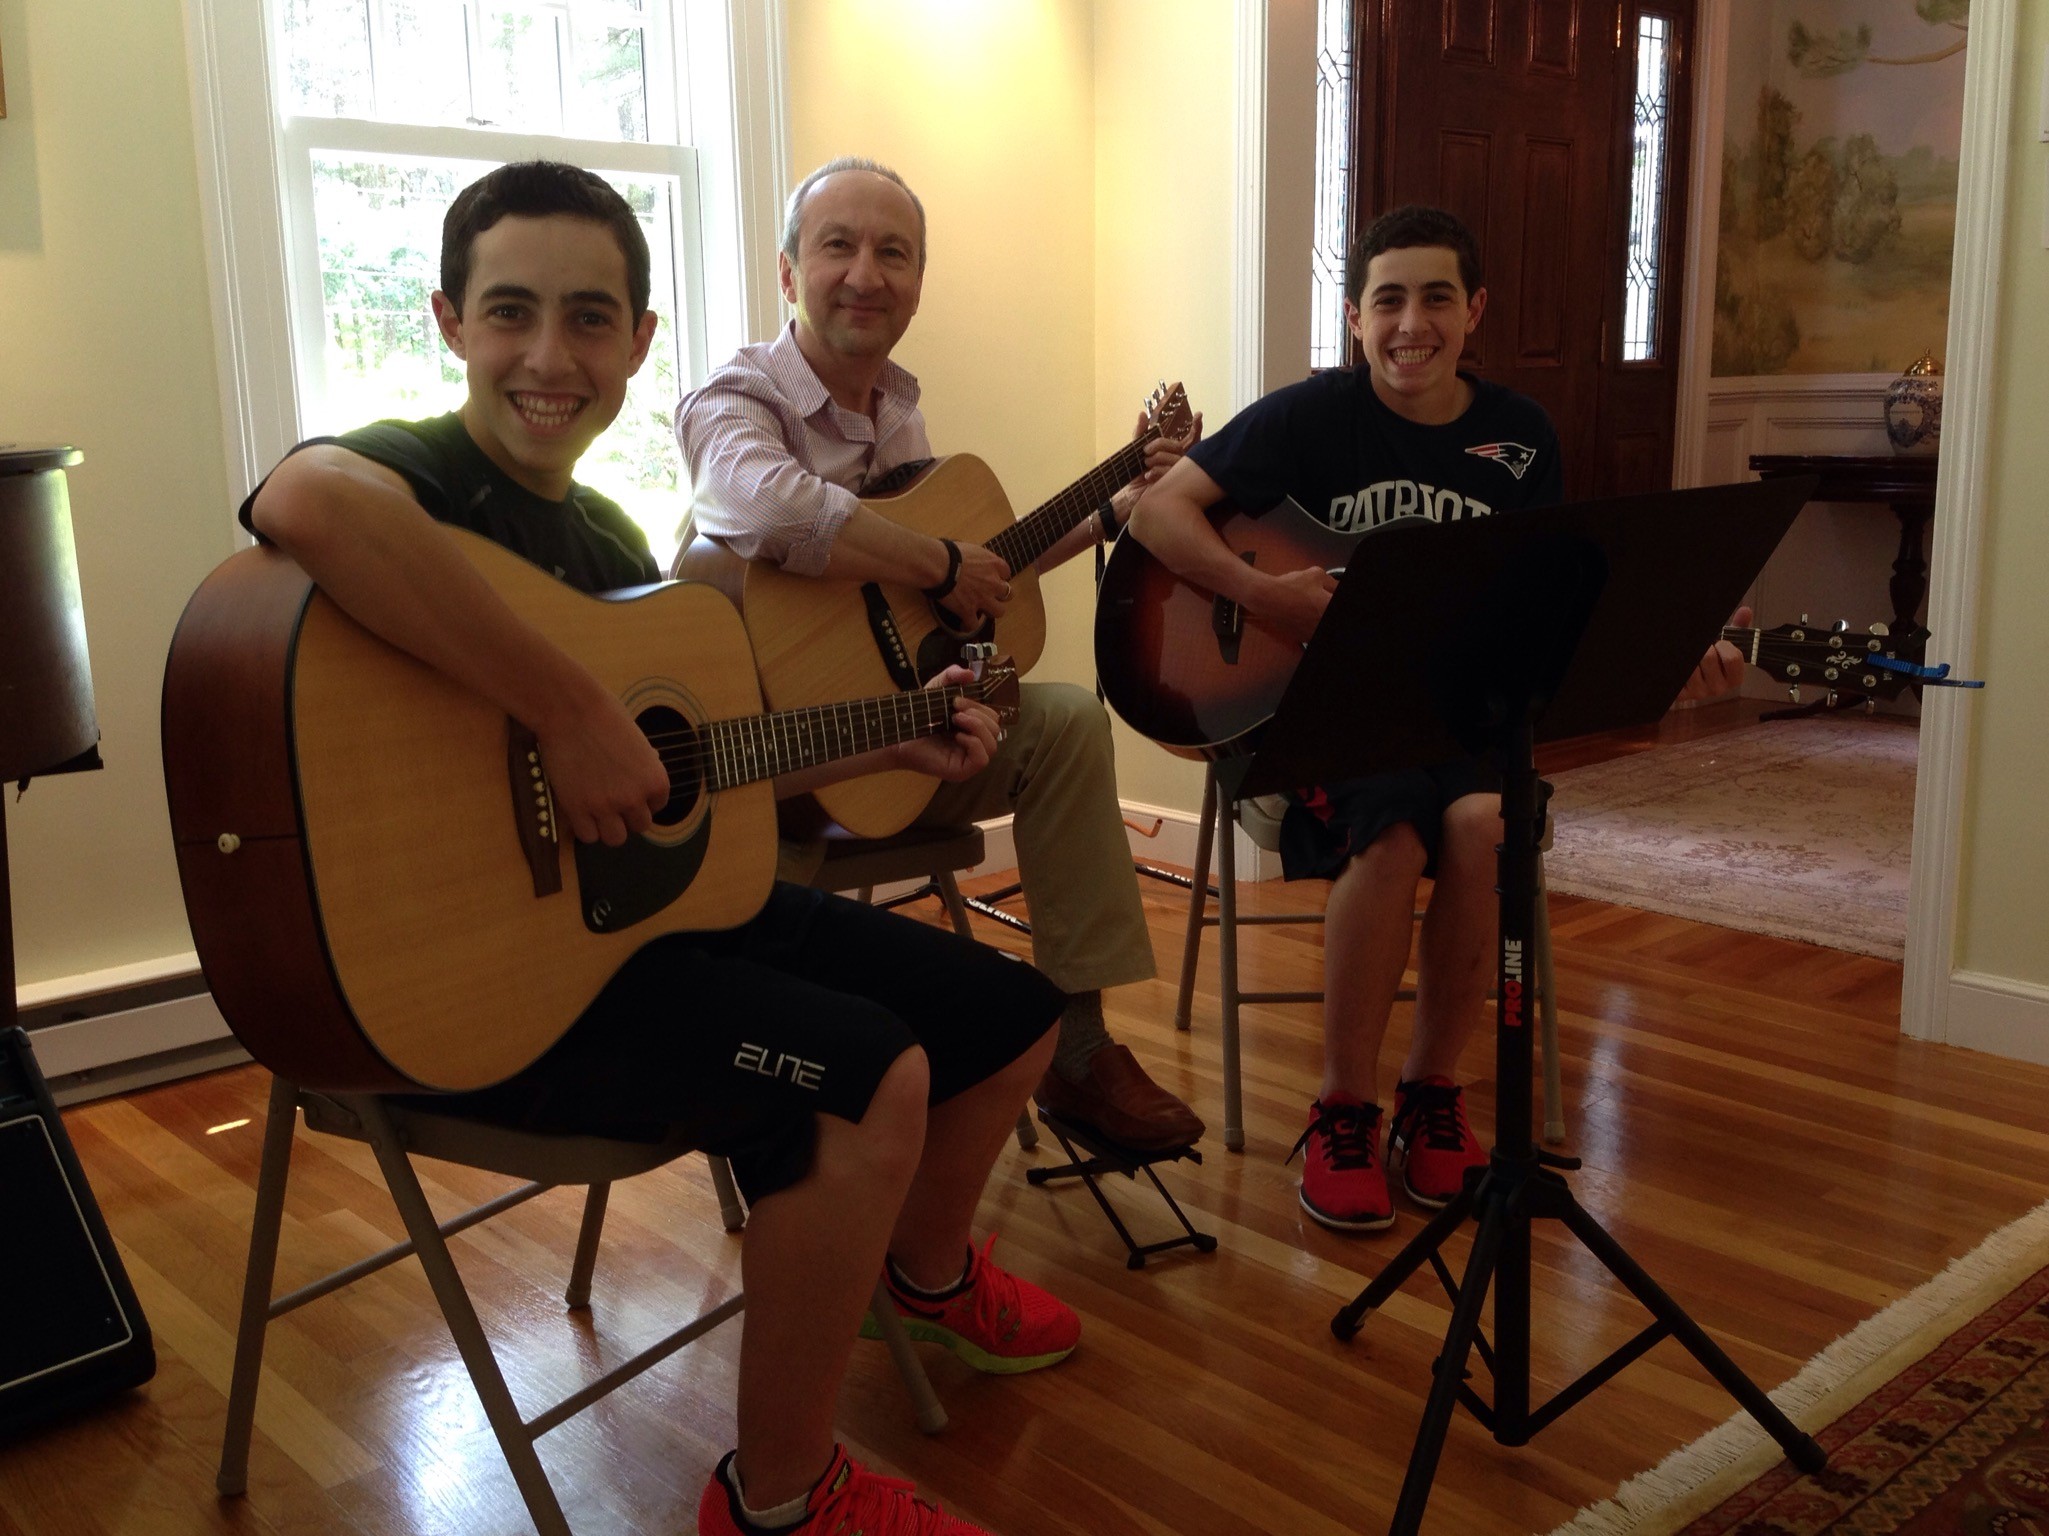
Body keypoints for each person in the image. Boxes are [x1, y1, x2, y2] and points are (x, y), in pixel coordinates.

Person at [241, 160, 1068, 1536]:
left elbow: (702, 768)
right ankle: (780, 1497)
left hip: (649, 924)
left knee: (1011, 1011)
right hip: (496, 984)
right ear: (447, 321)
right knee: (871, 1079)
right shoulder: (413, 475)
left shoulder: (616, 542)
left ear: (640, 341)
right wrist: (563, 709)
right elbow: (306, 502)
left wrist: (887, 739)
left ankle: (919, 1279)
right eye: (510, 313)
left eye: (590, 319)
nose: (549, 356)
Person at [1131, 205, 1748, 1234]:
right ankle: (1342, 1108)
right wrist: (1269, 595)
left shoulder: (1521, 438)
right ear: (1353, 316)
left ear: (1476, 314)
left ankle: (1430, 1094)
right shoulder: (1303, 420)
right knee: (1394, 831)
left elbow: (1548, 609)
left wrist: (1670, 662)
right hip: (1326, 712)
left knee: (1483, 824)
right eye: (1388, 300)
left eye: (1435, 299)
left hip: (1462, 711)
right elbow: (1158, 514)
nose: (1410, 323)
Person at [675, 156, 1206, 1154]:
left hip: (901, 746)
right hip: (766, 779)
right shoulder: (734, 398)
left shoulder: (898, 409)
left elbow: (960, 579)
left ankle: (1078, 1044)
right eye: (838, 246)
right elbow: (761, 505)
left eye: (895, 253)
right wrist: (935, 557)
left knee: (1061, 720)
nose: (867, 273)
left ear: (918, 287)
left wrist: (1111, 511)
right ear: (787, 273)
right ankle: (813, 1125)